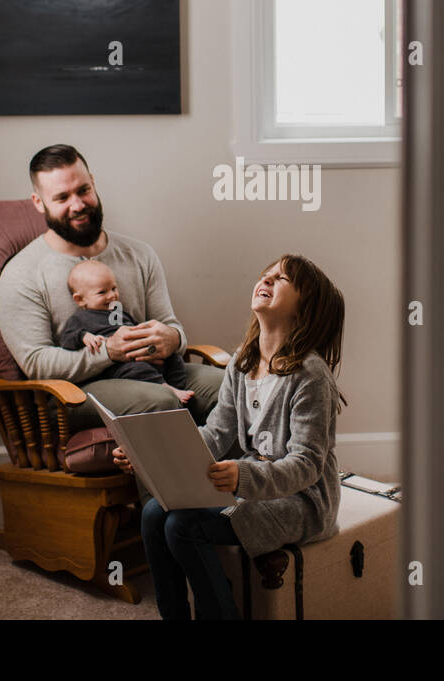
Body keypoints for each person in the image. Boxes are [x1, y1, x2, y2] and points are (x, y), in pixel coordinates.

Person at [114, 254, 346, 620]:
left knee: (184, 526)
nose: (267, 279)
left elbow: (307, 466)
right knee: (153, 511)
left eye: (282, 279)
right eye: (266, 274)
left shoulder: (310, 375)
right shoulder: (242, 362)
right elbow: (215, 433)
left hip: (303, 502)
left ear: (306, 308)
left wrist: (243, 476)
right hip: (251, 485)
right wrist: (147, 457)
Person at [0, 145, 223, 433]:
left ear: (93, 182)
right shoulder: (22, 273)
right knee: (159, 401)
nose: (77, 204)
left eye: (83, 190)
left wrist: (172, 337)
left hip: (155, 371)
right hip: (76, 393)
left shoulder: (139, 254)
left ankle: (236, 477)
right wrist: (108, 353)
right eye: (62, 197)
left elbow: (171, 326)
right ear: (39, 202)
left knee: (227, 389)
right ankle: (172, 479)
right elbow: (37, 363)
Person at [58, 258, 192, 404]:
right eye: (102, 292)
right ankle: (168, 389)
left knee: (175, 358)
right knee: (136, 370)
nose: (112, 296)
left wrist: (148, 337)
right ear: (80, 299)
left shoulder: (119, 311)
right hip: (119, 365)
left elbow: (134, 326)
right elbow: (67, 340)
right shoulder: (80, 318)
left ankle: (177, 388)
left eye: (114, 288)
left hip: (144, 353)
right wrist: (84, 336)